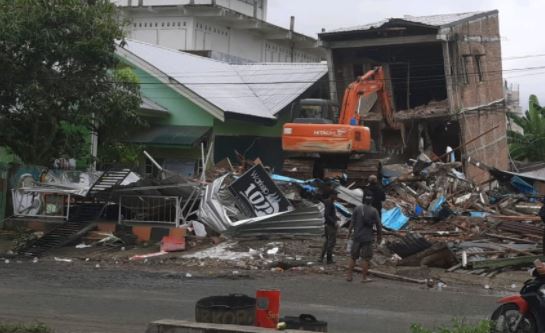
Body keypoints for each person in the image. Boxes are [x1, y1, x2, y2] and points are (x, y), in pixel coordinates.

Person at [347, 197, 382, 283]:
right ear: (371, 202)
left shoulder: (357, 208)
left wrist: (349, 232)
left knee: (353, 257)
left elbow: (352, 222)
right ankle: (364, 278)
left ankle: (349, 276)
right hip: (367, 238)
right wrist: (379, 237)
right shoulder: (374, 211)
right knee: (366, 258)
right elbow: (379, 225)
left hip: (357, 236)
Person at [319, 190, 338, 264]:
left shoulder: (327, 201)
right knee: (331, 242)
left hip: (327, 224)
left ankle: (321, 258)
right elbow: (327, 214)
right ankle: (329, 259)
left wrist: (335, 217)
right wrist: (334, 222)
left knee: (327, 242)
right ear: (332, 195)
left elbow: (328, 213)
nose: (337, 196)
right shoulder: (330, 203)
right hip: (330, 225)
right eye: (336, 195)